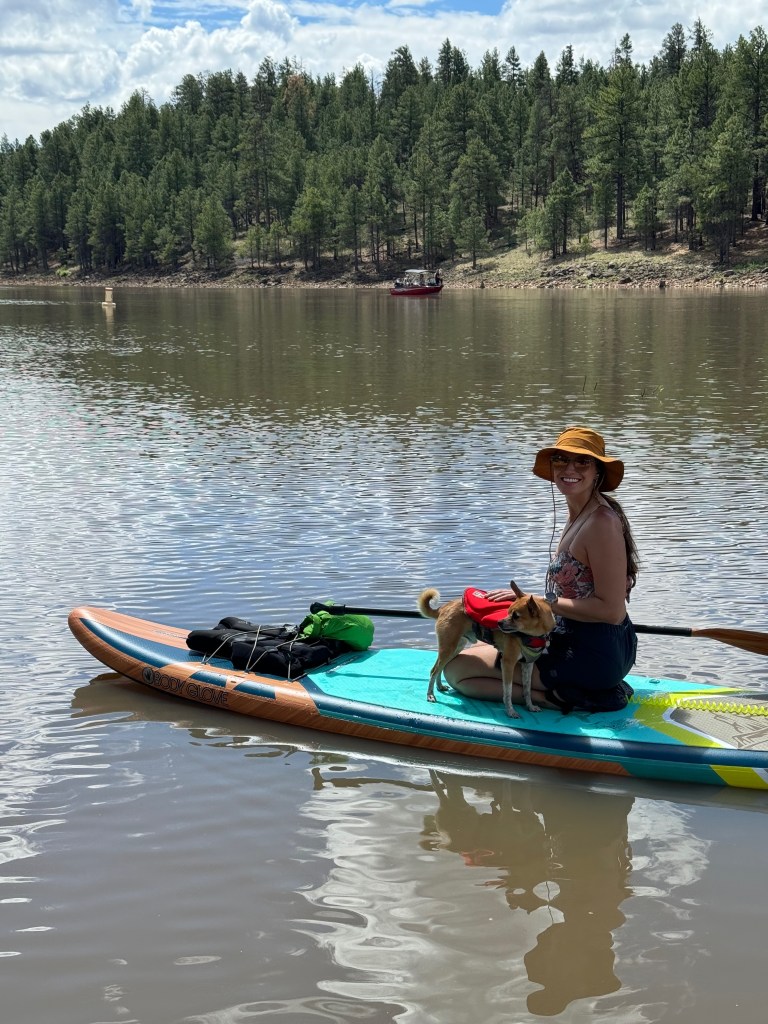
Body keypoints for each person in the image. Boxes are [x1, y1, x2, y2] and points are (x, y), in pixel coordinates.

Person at [444, 426, 639, 713]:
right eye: (561, 459)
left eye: (582, 461)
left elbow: (611, 611)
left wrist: (542, 603)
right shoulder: (582, 513)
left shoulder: (601, 523)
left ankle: (559, 698)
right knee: (474, 651)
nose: (569, 468)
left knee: (457, 671)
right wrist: (525, 604)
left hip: (592, 653)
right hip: (567, 637)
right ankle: (567, 687)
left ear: (597, 470)